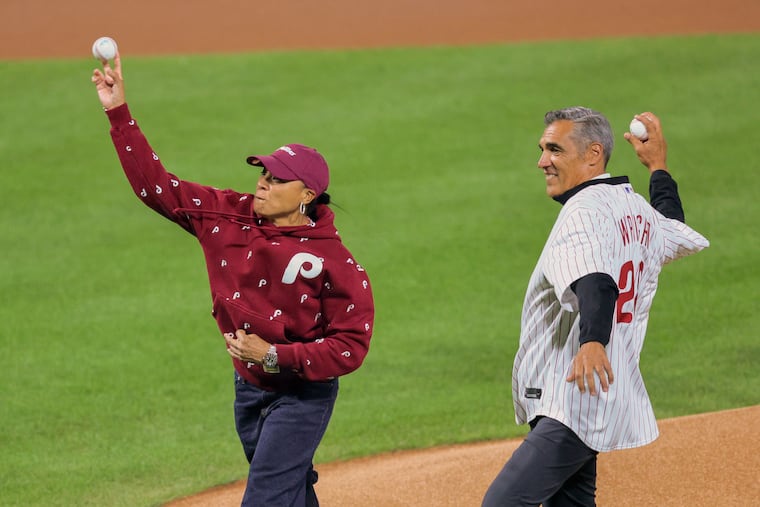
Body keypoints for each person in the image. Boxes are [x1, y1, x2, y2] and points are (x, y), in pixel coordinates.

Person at [91, 53, 374, 506]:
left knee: (265, 497)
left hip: (301, 395)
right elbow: (156, 187)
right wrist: (118, 112)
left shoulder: (333, 261)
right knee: (290, 491)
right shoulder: (225, 217)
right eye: (263, 172)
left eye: (277, 179)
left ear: (306, 196)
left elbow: (351, 345)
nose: (262, 183)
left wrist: (277, 355)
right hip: (247, 387)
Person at [482, 107, 709, 506]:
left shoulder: (583, 212)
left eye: (554, 149)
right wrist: (658, 168)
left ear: (592, 154)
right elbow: (672, 226)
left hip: (574, 397)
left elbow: (597, 283)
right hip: (593, 392)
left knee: (503, 502)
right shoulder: (634, 208)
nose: (542, 162)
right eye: (542, 149)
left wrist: (593, 342)